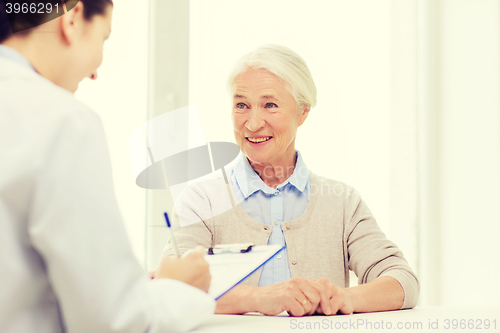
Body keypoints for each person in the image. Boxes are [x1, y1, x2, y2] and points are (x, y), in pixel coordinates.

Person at [0, 1, 214, 332]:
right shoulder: (62, 120)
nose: (96, 71)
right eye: (103, 37)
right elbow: (114, 321)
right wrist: (176, 288)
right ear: (72, 18)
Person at [162, 44, 419, 316]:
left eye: (270, 105)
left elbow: (402, 282)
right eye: (241, 105)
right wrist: (256, 298)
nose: (252, 123)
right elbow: (172, 287)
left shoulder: (342, 202)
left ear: (303, 111)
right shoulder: (201, 200)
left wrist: (344, 297)